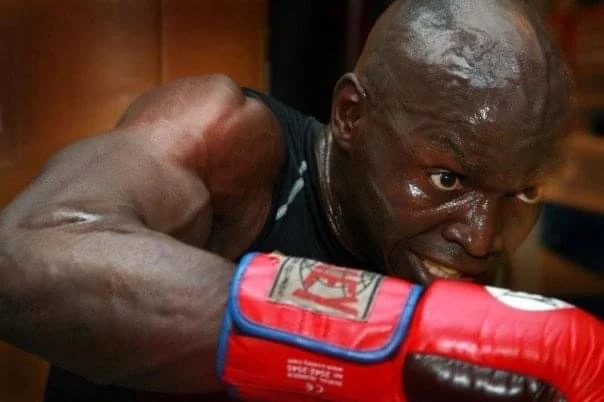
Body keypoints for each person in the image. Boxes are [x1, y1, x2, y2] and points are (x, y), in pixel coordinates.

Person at [0, 0, 578, 401]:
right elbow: (21, 254)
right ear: (351, 115)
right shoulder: (228, 143)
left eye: (524, 191)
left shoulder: (444, 250)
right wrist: (380, 334)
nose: (481, 239)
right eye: (447, 179)